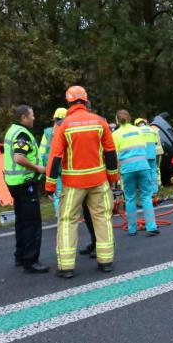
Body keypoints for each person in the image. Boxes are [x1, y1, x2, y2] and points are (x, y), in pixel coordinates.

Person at [46, 86, 120, 277]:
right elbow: (110, 152)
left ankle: (66, 268)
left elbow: (55, 156)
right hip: (99, 181)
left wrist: (50, 184)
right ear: (85, 101)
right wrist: (113, 179)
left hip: (72, 184)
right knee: (102, 219)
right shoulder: (100, 122)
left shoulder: (64, 125)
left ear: (68, 102)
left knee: (67, 222)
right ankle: (106, 263)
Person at [42, 108, 97, 257]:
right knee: (86, 212)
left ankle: (98, 245)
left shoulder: (75, 127)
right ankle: (95, 244)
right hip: (73, 177)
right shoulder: (64, 129)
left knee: (92, 214)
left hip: (86, 177)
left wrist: (49, 183)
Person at [3, 105, 48, 273]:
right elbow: (18, 157)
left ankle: (20, 256)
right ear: (23, 117)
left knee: (21, 222)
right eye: (32, 115)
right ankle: (31, 261)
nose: (34, 118)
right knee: (32, 224)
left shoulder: (12, 130)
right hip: (24, 183)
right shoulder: (22, 134)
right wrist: (37, 168)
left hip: (15, 183)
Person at [113, 110, 159, 236]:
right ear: (129, 118)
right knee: (146, 197)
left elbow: (114, 155)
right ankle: (151, 226)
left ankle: (132, 229)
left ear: (117, 120)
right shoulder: (138, 130)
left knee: (130, 198)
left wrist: (115, 173)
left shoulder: (116, 134)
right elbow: (144, 147)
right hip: (143, 166)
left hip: (127, 170)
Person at [135, 118, 161, 196]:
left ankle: (148, 190)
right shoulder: (152, 130)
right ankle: (155, 190)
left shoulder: (137, 131)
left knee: (145, 172)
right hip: (152, 154)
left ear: (136, 124)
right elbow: (156, 142)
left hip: (142, 155)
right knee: (153, 171)